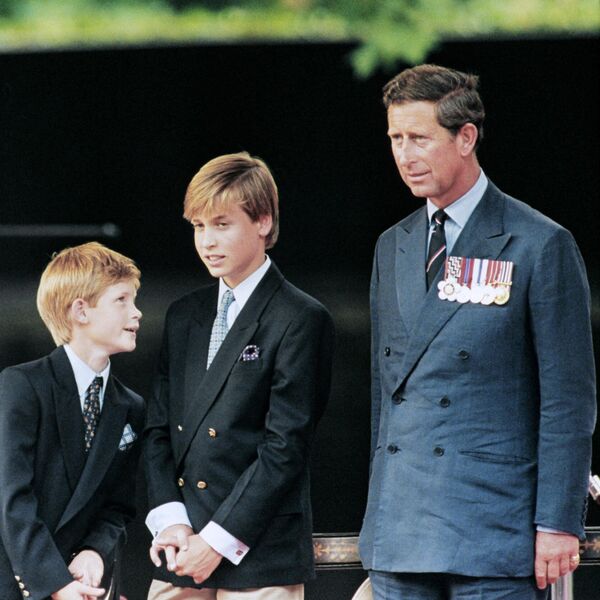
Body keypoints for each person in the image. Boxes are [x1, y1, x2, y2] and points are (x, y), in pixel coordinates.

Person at [358, 64, 596, 599]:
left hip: (495, 528)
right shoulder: (392, 245)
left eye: (419, 138)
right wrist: (378, 516)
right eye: (395, 138)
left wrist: (558, 521)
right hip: (400, 529)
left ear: (466, 137)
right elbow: (385, 394)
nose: (404, 155)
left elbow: (568, 399)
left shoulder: (539, 243)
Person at [143, 151, 335, 599]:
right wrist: (170, 521)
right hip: (182, 547)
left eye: (221, 224)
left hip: (260, 554)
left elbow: (284, 448)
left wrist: (216, 541)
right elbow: (159, 430)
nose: (207, 241)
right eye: (198, 226)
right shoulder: (183, 314)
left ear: (263, 221)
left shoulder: (301, 317)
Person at [0, 242, 144, 600]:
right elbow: (12, 498)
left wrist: (94, 551)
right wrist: (55, 582)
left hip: (87, 585)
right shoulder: (22, 386)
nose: (137, 312)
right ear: (81, 311)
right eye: (122, 300)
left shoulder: (130, 405)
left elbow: (118, 507)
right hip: (21, 584)